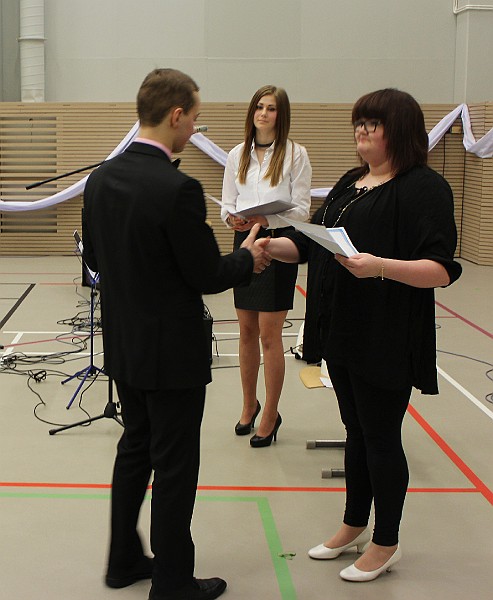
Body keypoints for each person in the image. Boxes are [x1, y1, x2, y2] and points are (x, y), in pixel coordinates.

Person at [258, 88, 462, 581]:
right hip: (342, 328)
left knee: (382, 437)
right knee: (356, 431)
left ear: (400, 131)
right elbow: (314, 243)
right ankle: (353, 523)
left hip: (386, 332)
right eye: (359, 123)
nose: (361, 132)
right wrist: (270, 245)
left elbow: (440, 269)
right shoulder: (352, 182)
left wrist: (380, 267)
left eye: (373, 124)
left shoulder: (424, 188)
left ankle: (386, 541)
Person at [82, 68, 270, 600]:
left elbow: (95, 260)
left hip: (126, 346)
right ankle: (171, 581)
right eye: (194, 119)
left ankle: (122, 560)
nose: (194, 130)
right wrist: (247, 258)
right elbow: (206, 274)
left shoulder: (101, 179)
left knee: (135, 449)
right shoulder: (178, 188)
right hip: (172, 355)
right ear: (176, 115)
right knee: (174, 468)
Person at [221, 84, 312, 447]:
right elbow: (228, 203)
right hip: (244, 243)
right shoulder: (236, 154)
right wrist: (233, 219)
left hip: (278, 244)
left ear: (281, 114)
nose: (263, 113)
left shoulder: (296, 154)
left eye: (271, 108)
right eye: (259, 107)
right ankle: (249, 405)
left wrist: (265, 219)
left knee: (269, 336)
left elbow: (302, 210)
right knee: (245, 332)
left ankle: (271, 414)